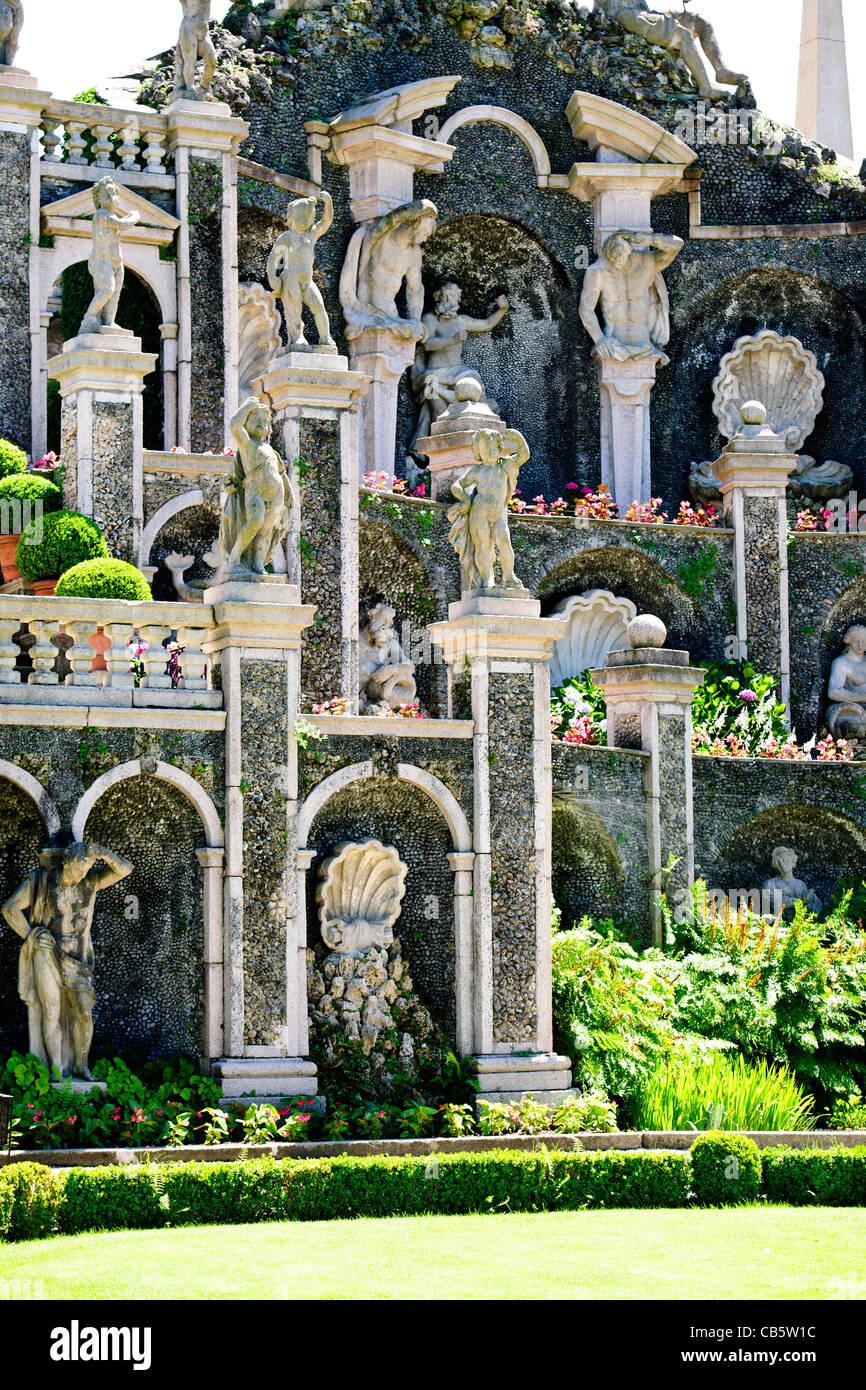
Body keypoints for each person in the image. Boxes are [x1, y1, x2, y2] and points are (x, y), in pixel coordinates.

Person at [1, 840, 133, 1080]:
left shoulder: (90, 882)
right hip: (46, 952)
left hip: (79, 958)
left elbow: (125, 869)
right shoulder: (40, 881)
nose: (82, 875)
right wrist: (30, 934)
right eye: (78, 870)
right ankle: (56, 1069)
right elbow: (10, 908)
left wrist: (101, 853)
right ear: (66, 862)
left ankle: (81, 1065)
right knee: (51, 1009)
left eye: (86, 870)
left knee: (84, 1011)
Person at [409, 282, 509, 448]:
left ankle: (476, 433)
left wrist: (502, 310)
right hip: (434, 373)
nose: (451, 300)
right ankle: (440, 445)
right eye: (447, 296)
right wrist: (452, 340)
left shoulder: (461, 320)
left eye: (455, 296)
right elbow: (428, 344)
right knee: (436, 405)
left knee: (473, 380)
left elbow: (486, 324)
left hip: (458, 371)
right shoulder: (430, 319)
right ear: (438, 298)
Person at [595, 1, 747, 101]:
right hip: (624, 13)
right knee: (683, 34)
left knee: (698, 22)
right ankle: (705, 88)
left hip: (640, 11)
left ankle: (721, 70)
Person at [579, 229, 684, 367]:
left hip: (645, 345)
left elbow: (677, 245)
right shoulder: (598, 271)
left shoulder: (646, 263)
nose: (617, 263)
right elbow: (585, 309)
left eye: (620, 258)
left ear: (628, 251)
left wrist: (642, 237)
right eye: (613, 260)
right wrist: (600, 340)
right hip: (614, 346)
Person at [447, 428, 529, 592]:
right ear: (478, 451)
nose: (490, 453)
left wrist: (519, 438)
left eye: (493, 449)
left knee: (505, 543)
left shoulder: (506, 465)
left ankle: (509, 576)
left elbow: (524, 455)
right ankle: (486, 580)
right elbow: (456, 486)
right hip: (479, 512)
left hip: (498, 514)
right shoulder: (477, 470)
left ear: (500, 449)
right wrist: (465, 501)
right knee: (482, 547)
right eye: (485, 450)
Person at [218, 397, 292, 578]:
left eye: (265, 421)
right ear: (247, 423)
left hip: (277, 494)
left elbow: (281, 474)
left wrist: (289, 493)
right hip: (255, 492)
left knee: (267, 530)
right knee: (254, 523)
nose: (261, 423)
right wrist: (247, 406)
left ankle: (258, 563)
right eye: (255, 419)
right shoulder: (247, 444)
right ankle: (235, 557)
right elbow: (234, 426)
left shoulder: (270, 451)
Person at [267, 191, 335, 351]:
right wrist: (272, 278)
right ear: (291, 218)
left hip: (307, 280)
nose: (304, 222)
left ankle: (326, 337)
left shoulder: (312, 234)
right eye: (300, 218)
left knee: (319, 306)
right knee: (294, 308)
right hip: (290, 277)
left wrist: (328, 203)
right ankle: (297, 337)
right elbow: (273, 259)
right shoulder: (287, 237)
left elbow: (326, 221)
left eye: (308, 218)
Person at [79, 178, 139, 335]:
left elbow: (119, 222)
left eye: (113, 193)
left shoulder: (111, 216)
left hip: (115, 260)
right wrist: (134, 216)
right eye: (106, 194)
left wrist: (127, 218)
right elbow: (122, 224)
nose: (111, 197)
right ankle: (89, 316)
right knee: (107, 289)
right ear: (98, 199)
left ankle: (108, 321)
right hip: (101, 259)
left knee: (115, 294)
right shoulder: (101, 214)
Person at [175, 0, 217, 98]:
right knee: (190, 61)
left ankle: (204, 86)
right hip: (188, 27)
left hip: (203, 29)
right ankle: (189, 86)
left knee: (212, 61)